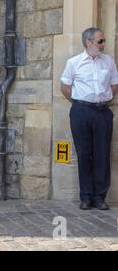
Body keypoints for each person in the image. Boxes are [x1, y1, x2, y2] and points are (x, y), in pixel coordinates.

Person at [61, 27, 118, 210]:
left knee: (102, 154)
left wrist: (105, 100)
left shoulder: (108, 61)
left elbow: (115, 84)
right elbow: (65, 86)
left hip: (102, 112)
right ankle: (85, 197)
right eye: (100, 41)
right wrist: (79, 103)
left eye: (103, 41)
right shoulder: (74, 62)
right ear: (88, 42)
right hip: (81, 113)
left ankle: (100, 197)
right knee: (84, 154)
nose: (103, 45)